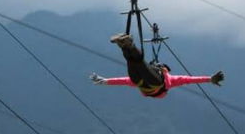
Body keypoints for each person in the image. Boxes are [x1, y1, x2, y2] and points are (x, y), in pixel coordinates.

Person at [90, 33, 224, 98]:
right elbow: (190, 80)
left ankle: (127, 45)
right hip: (144, 84)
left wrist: (106, 81)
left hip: (150, 83)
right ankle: (125, 45)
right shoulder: (169, 80)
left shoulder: (168, 78)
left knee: (136, 63)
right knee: (135, 62)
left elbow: (122, 81)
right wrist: (209, 79)